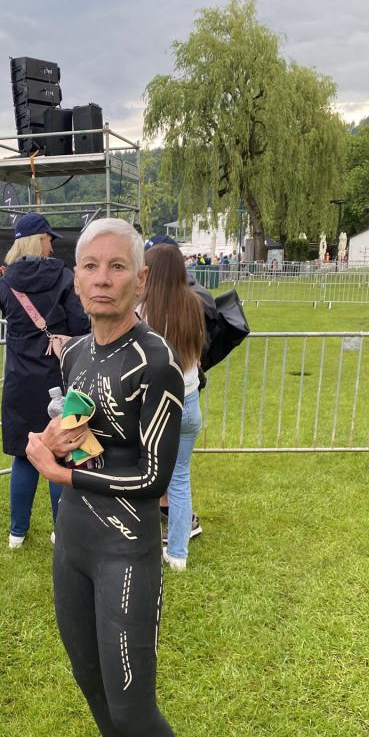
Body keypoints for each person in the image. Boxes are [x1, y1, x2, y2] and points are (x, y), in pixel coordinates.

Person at [25, 218, 201, 737]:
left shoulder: (157, 364)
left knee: (132, 701)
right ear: (76, 279)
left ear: (140, 280)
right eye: (91, 266)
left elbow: (153, 478)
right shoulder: (75, 355)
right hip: (74, 543)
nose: (102, 279)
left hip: (126, 549)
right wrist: (59, 441)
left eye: (116, 267)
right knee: (87, 672)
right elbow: (89, 438)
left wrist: (62, 475)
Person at [0, 212, 89, 549]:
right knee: (60, 453)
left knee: (24, 454)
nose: (52, 246)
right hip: (58, 378)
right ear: (39, 240)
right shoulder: (64, 277)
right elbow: (80, 324)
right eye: (49, 239)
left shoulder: (4, 284)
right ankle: (60, 529)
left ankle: (16, 533)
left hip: (20, 379)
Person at [139, 243, 205, 570]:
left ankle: (141, 543)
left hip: (157, 405)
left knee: (145, 475)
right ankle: (178, 553)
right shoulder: (193, 305)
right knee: (179, 478)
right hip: (189, 401)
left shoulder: (143, 311)